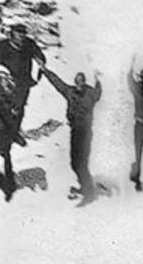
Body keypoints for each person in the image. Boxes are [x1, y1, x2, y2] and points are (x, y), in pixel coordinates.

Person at [42, 68, 103, 203]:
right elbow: (57, 83)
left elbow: (99, 92)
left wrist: (98, 80)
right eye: (77, 81)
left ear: (84, 82)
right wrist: (45, 71)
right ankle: (85, 187)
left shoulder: (91, 93)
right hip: (75, 131)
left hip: (85, 132)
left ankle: (89, 192)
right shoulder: (70, 92)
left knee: (81, 163)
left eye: (81, 81)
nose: (78, 84)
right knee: (75, 163)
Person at [0, 24, 46, 141]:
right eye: (19, 33)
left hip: (23, 82)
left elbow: (39, 55)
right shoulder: (2, 45)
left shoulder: (29, 44)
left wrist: (41, 62)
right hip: (7, 82)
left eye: (23, 33)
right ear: (12, 33)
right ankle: (2, 132)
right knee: (4, 107)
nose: (21, 36)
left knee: (19, 108)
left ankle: (14, 133)